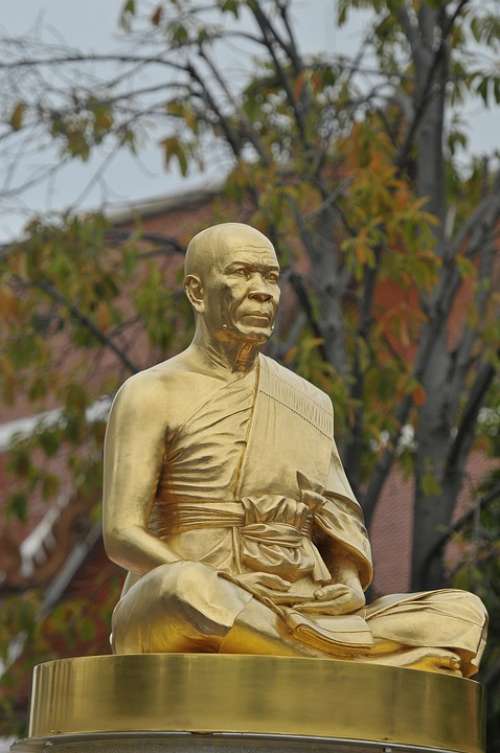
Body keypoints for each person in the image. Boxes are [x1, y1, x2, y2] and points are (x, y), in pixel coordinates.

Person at [102, 222, 487, 676]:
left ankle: (317, 650)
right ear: (197, 292)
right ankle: (347, 661)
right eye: (243, 273)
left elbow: (337, 525)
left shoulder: (307, 401)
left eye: (271, 276)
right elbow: (121, 533)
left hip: (301, 600)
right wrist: (218, 579)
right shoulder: (150, 392)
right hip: (198, 598)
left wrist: (347, 585)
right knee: (184, 592)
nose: (263, 291)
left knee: (462, 612)